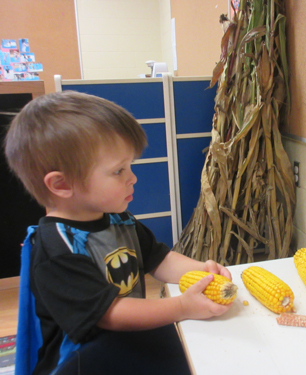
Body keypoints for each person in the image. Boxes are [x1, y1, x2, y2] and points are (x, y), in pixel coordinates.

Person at [4, 91, 233, 374]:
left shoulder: (118, 220)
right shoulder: (56, 248)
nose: (132, 177)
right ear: (61, 184)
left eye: (130, 166)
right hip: (82, 361)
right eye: (118, 171)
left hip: (123, 341)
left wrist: (202, 272)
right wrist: (182, 307)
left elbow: (160, 260)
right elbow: (111, 314)